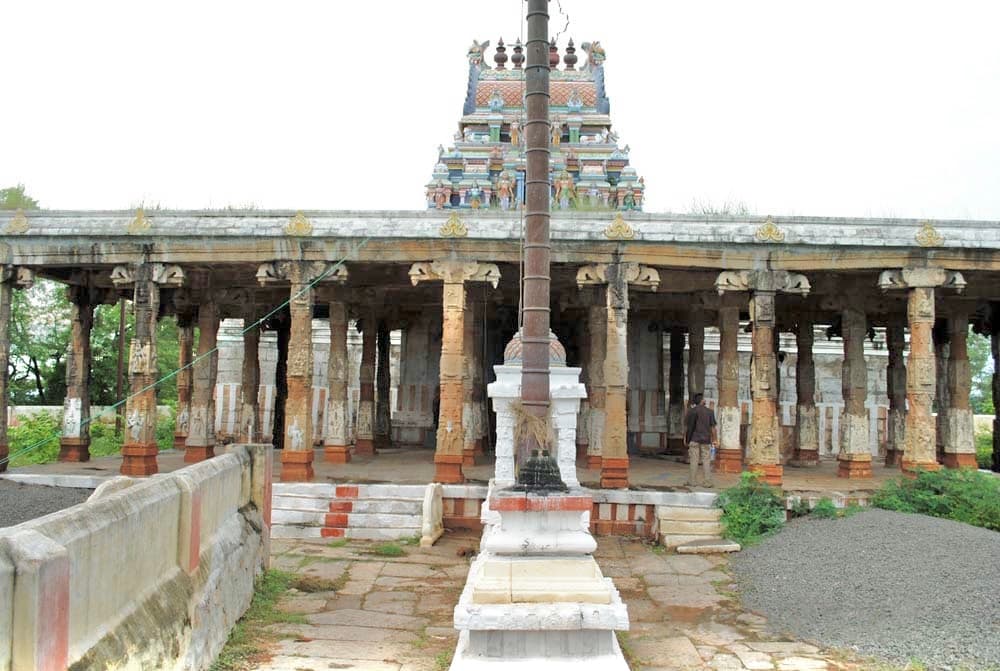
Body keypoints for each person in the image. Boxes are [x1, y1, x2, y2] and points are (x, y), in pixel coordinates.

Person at [684, 393, 718, 488]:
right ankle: (707, 482)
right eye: (704, 399)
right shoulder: (710, 412)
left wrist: (686, 439)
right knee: (706, 461)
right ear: (702, 401)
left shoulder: (691, 411)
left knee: (694, 460)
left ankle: (692, 481)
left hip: (694, 439)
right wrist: (715, 439)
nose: (705, 400)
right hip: (706, 440)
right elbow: (713, 428)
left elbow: (687, 427)